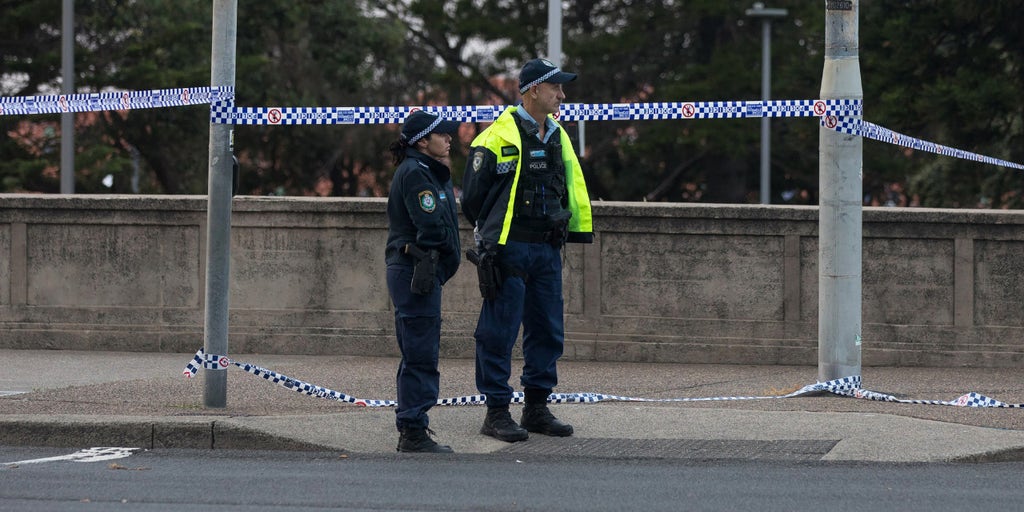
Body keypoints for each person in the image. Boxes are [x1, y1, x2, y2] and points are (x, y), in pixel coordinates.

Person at [461, 58, 595, 442]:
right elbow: (472, 200)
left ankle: (536, 408)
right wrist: (494, 236)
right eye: (556, 87)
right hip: (510, 249)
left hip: (547, 249)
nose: (562, 95)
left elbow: (569, 186)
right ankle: (496, 412)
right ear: (534, 89)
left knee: (547, 330)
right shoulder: (495, 138)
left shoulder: (557, 135)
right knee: (498, 332)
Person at [385, 110, 462, 453]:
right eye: (442, 134)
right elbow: (430, 227)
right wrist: (443, 258)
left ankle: (413, 425)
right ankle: (413, 430)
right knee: (420, 353)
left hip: (419, 270)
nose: (449, 139)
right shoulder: (417, 173)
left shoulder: (426, 170)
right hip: (415, 270)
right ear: (422, 142)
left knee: (418, 349)